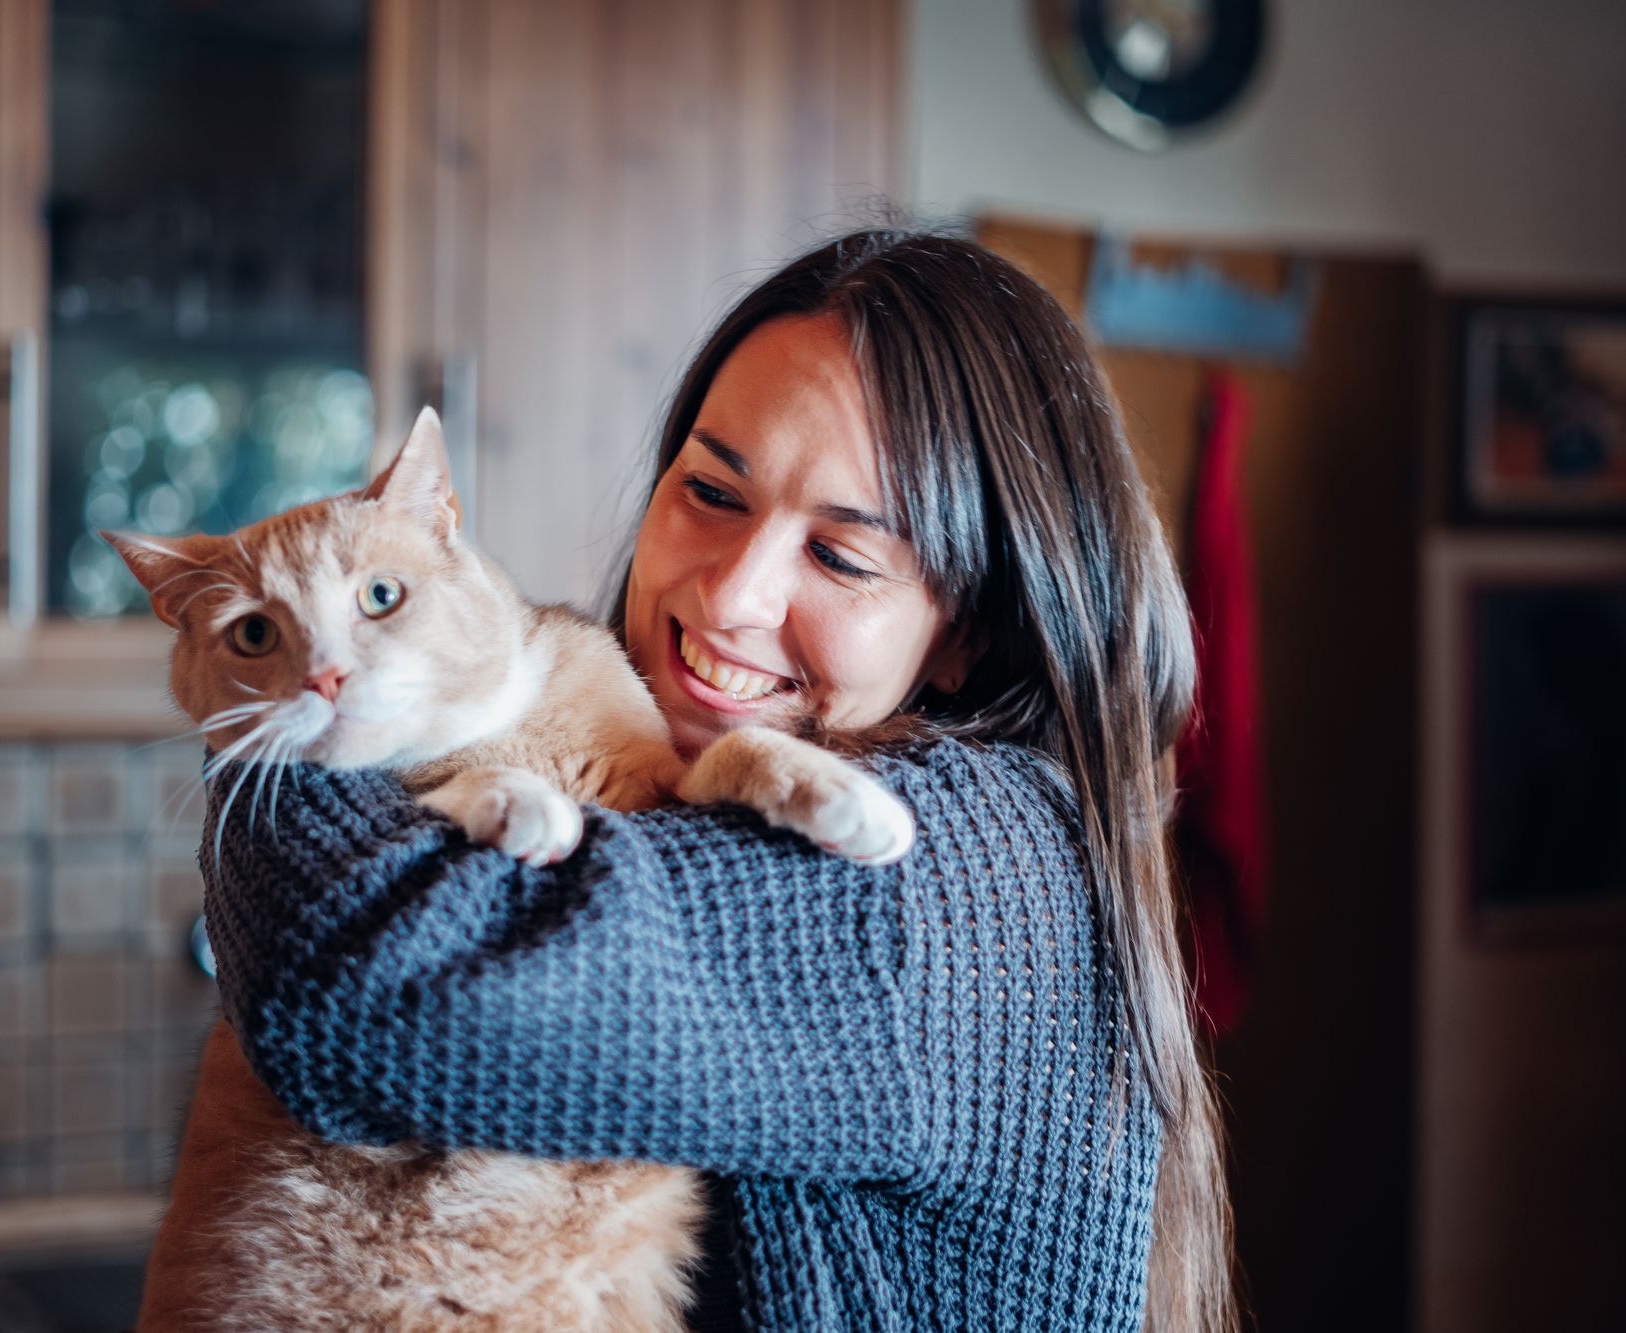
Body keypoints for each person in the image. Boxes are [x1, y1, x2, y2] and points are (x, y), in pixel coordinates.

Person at [198, 229, 1236, 1331]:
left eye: (838, 556)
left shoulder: (965, 871)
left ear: (964, 637)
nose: (731, 593)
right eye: (710, 490)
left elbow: (352, 988)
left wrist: (273, 682)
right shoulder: (643, 774)